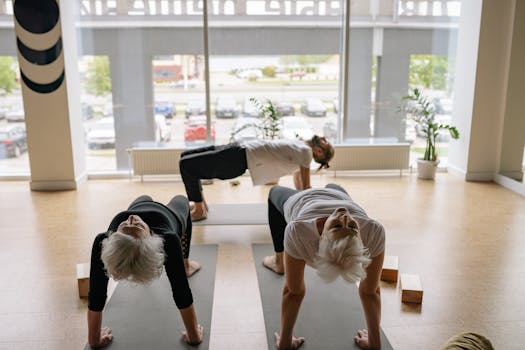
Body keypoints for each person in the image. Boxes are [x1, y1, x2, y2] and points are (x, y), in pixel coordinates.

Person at [263, 184, 385, 350]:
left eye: (336, 226)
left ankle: (279, 262)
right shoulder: (373, 230)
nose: (345, 216)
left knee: (273, 192)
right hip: (337, 194)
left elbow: (293, 292)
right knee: (333, 185)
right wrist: (374, 343)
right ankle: (322, 188)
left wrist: (285, 343)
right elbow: (371, 292)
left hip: (301, 200)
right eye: (352, 226)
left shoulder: (298, 230)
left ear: (321, 238)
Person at [87, 195, 203, 348]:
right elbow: (97, 293)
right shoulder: (168, 239)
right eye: (137, 226)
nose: (132, 218)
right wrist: (194, 335)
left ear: (114, 236)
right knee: (182, 200)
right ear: (150, 237)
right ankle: (186, 264)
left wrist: (93, 338)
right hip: (170, 214)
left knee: (144, 197)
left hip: (142, 205)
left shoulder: (104, 240)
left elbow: (96, 293)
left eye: (126, 225)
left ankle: (184, 264)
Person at [179, 135, 335, 221]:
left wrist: (309, 208)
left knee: (187, 165)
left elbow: (304, 186)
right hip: (238, 148)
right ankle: (202, 206)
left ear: (320, 153)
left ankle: (199, 210)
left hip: (238, 158)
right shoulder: (302, 146)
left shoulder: (305, 153)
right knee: (186, 157)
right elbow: (299, 181)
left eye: (325, 143)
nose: (323, 138)